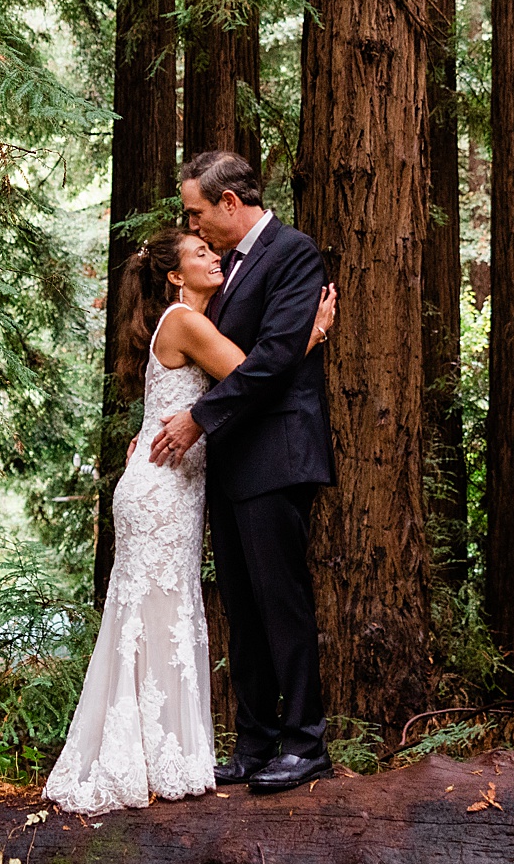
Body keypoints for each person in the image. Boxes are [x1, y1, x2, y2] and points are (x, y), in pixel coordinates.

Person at [42, 225, 334, 816]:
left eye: (211, 246)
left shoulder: (190, 317)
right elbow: (251, 371)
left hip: (168, 482)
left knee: (157, 615)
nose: (213, 254)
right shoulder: (186, 321)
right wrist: (313, 334)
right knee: (158, 613)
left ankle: (156, 749)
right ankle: (146, 752)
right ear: (175, 274)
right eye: (199, 252)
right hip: (162, 489)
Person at [148, 150, 335, 794]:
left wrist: (198, 418)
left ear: (230, 203)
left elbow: (275, 354)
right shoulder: (226, 271)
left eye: (197, 213)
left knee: (282, 601)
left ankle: (306, 743)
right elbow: (236, 356)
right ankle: (255, 744)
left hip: (278, 455)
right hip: (231, 461)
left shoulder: (292, 252)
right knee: (244, 607)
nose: (193, 227)